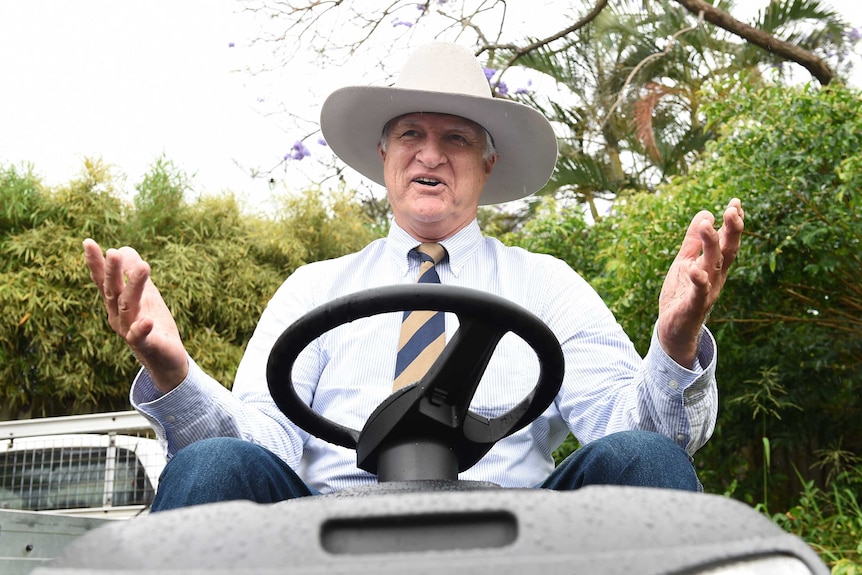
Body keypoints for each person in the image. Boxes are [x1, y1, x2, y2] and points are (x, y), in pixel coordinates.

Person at [84, 42, 744, 510]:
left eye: (455, 137)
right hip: (323, 537)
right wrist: (173, 372)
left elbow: (640, 436)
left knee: (648, 461)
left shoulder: (550, 287)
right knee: (211, 464)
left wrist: (676, 344)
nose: (430, 153)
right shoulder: (313, 288)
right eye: (411, 134)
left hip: (522, 538)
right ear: (384, 155)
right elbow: (259, 449)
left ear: (487, 163)